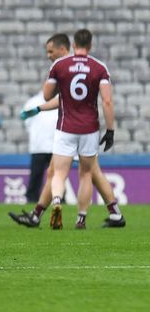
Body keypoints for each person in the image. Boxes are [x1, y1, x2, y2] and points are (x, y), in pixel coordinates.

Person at [10, 32, 123, 229]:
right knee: (88, 173)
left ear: (68, 46)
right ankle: (92, 216)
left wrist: (41, 104)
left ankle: (44, 211)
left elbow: (51, 96)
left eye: (51, 51)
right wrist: (110, 130)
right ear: (91, 44)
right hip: (89, 129)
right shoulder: (98, 67)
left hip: (67, 128)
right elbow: (106, 100)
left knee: (60, 172)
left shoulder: (60, 67)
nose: (49, 56)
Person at [20, 89, 57, 203]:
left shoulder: (59, 100)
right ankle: (31, 198)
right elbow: (26, 120)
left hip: (55, 146)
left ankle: (59, 198)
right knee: (36, 175)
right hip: (38, 146)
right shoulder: (33, 102)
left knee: (57, 175)